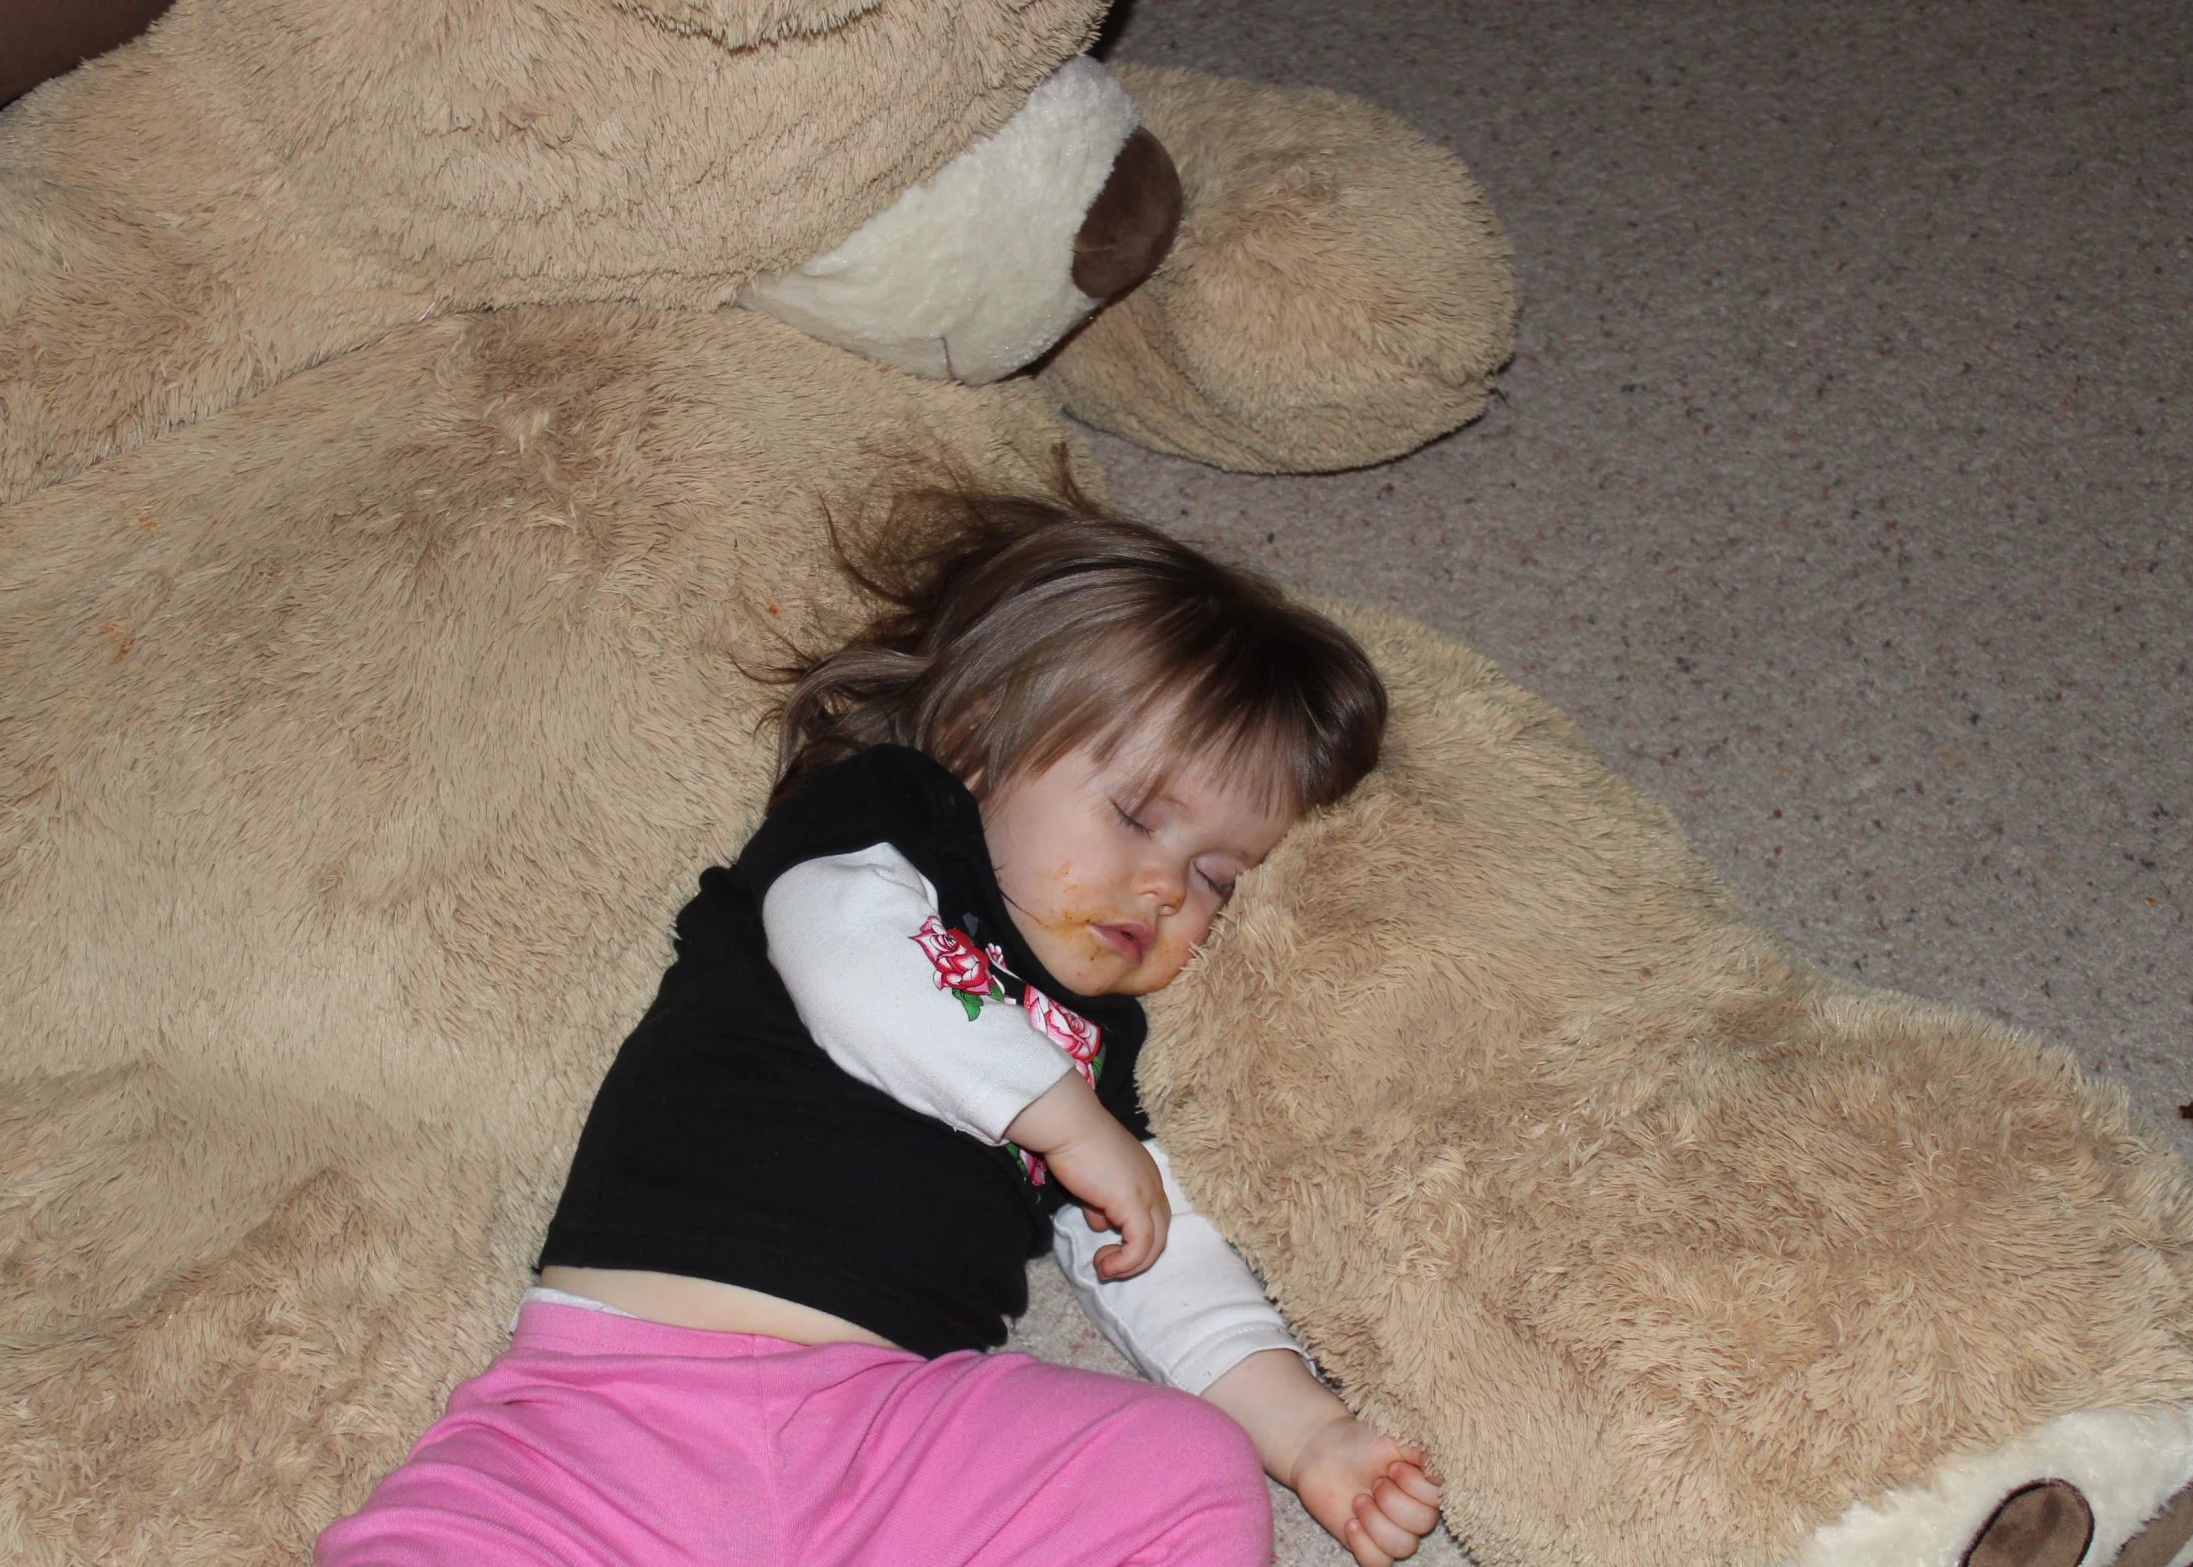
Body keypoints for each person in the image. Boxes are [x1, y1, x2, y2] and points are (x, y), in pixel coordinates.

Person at [316, 488, 1443, 1567]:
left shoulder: (1094, 1045)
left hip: (889, 1438)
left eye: (1212, 877)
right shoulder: (891, 831)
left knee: (1184, 1466)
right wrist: (1054, 1114)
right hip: (616, 1402)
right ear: (974, 738)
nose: (1159, 890)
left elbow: (1153, 1248)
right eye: (1137, 817)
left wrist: (1302, 1433)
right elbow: (841, 945)